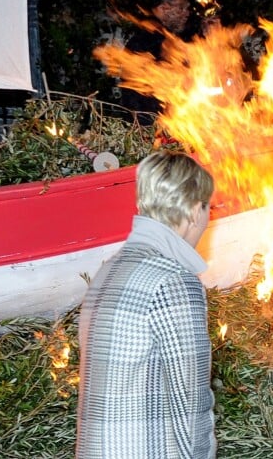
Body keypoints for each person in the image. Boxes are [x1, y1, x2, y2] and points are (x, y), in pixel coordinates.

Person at [76, 150, 216, 458]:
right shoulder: (174, 281)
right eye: (209, 207)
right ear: (194, 210)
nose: (208, 218)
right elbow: (190, 406)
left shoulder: (107, 271)